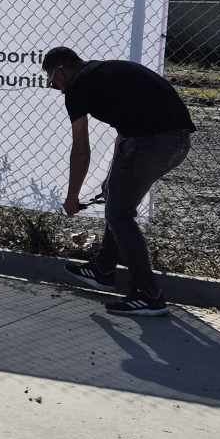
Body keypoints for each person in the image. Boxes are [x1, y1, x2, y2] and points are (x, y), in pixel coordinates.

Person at [41, 46, 194, 317]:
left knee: (119, 215)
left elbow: (80, 149)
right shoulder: (104, 70)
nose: (53, 86)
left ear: (62, 69)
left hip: (153, 143)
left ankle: (149, 296)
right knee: (114, 196)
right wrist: (112, 178)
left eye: (52, 78)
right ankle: (103, 269)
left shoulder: (78, 88)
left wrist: (72, 196)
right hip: (176, 142)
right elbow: (126, 126)